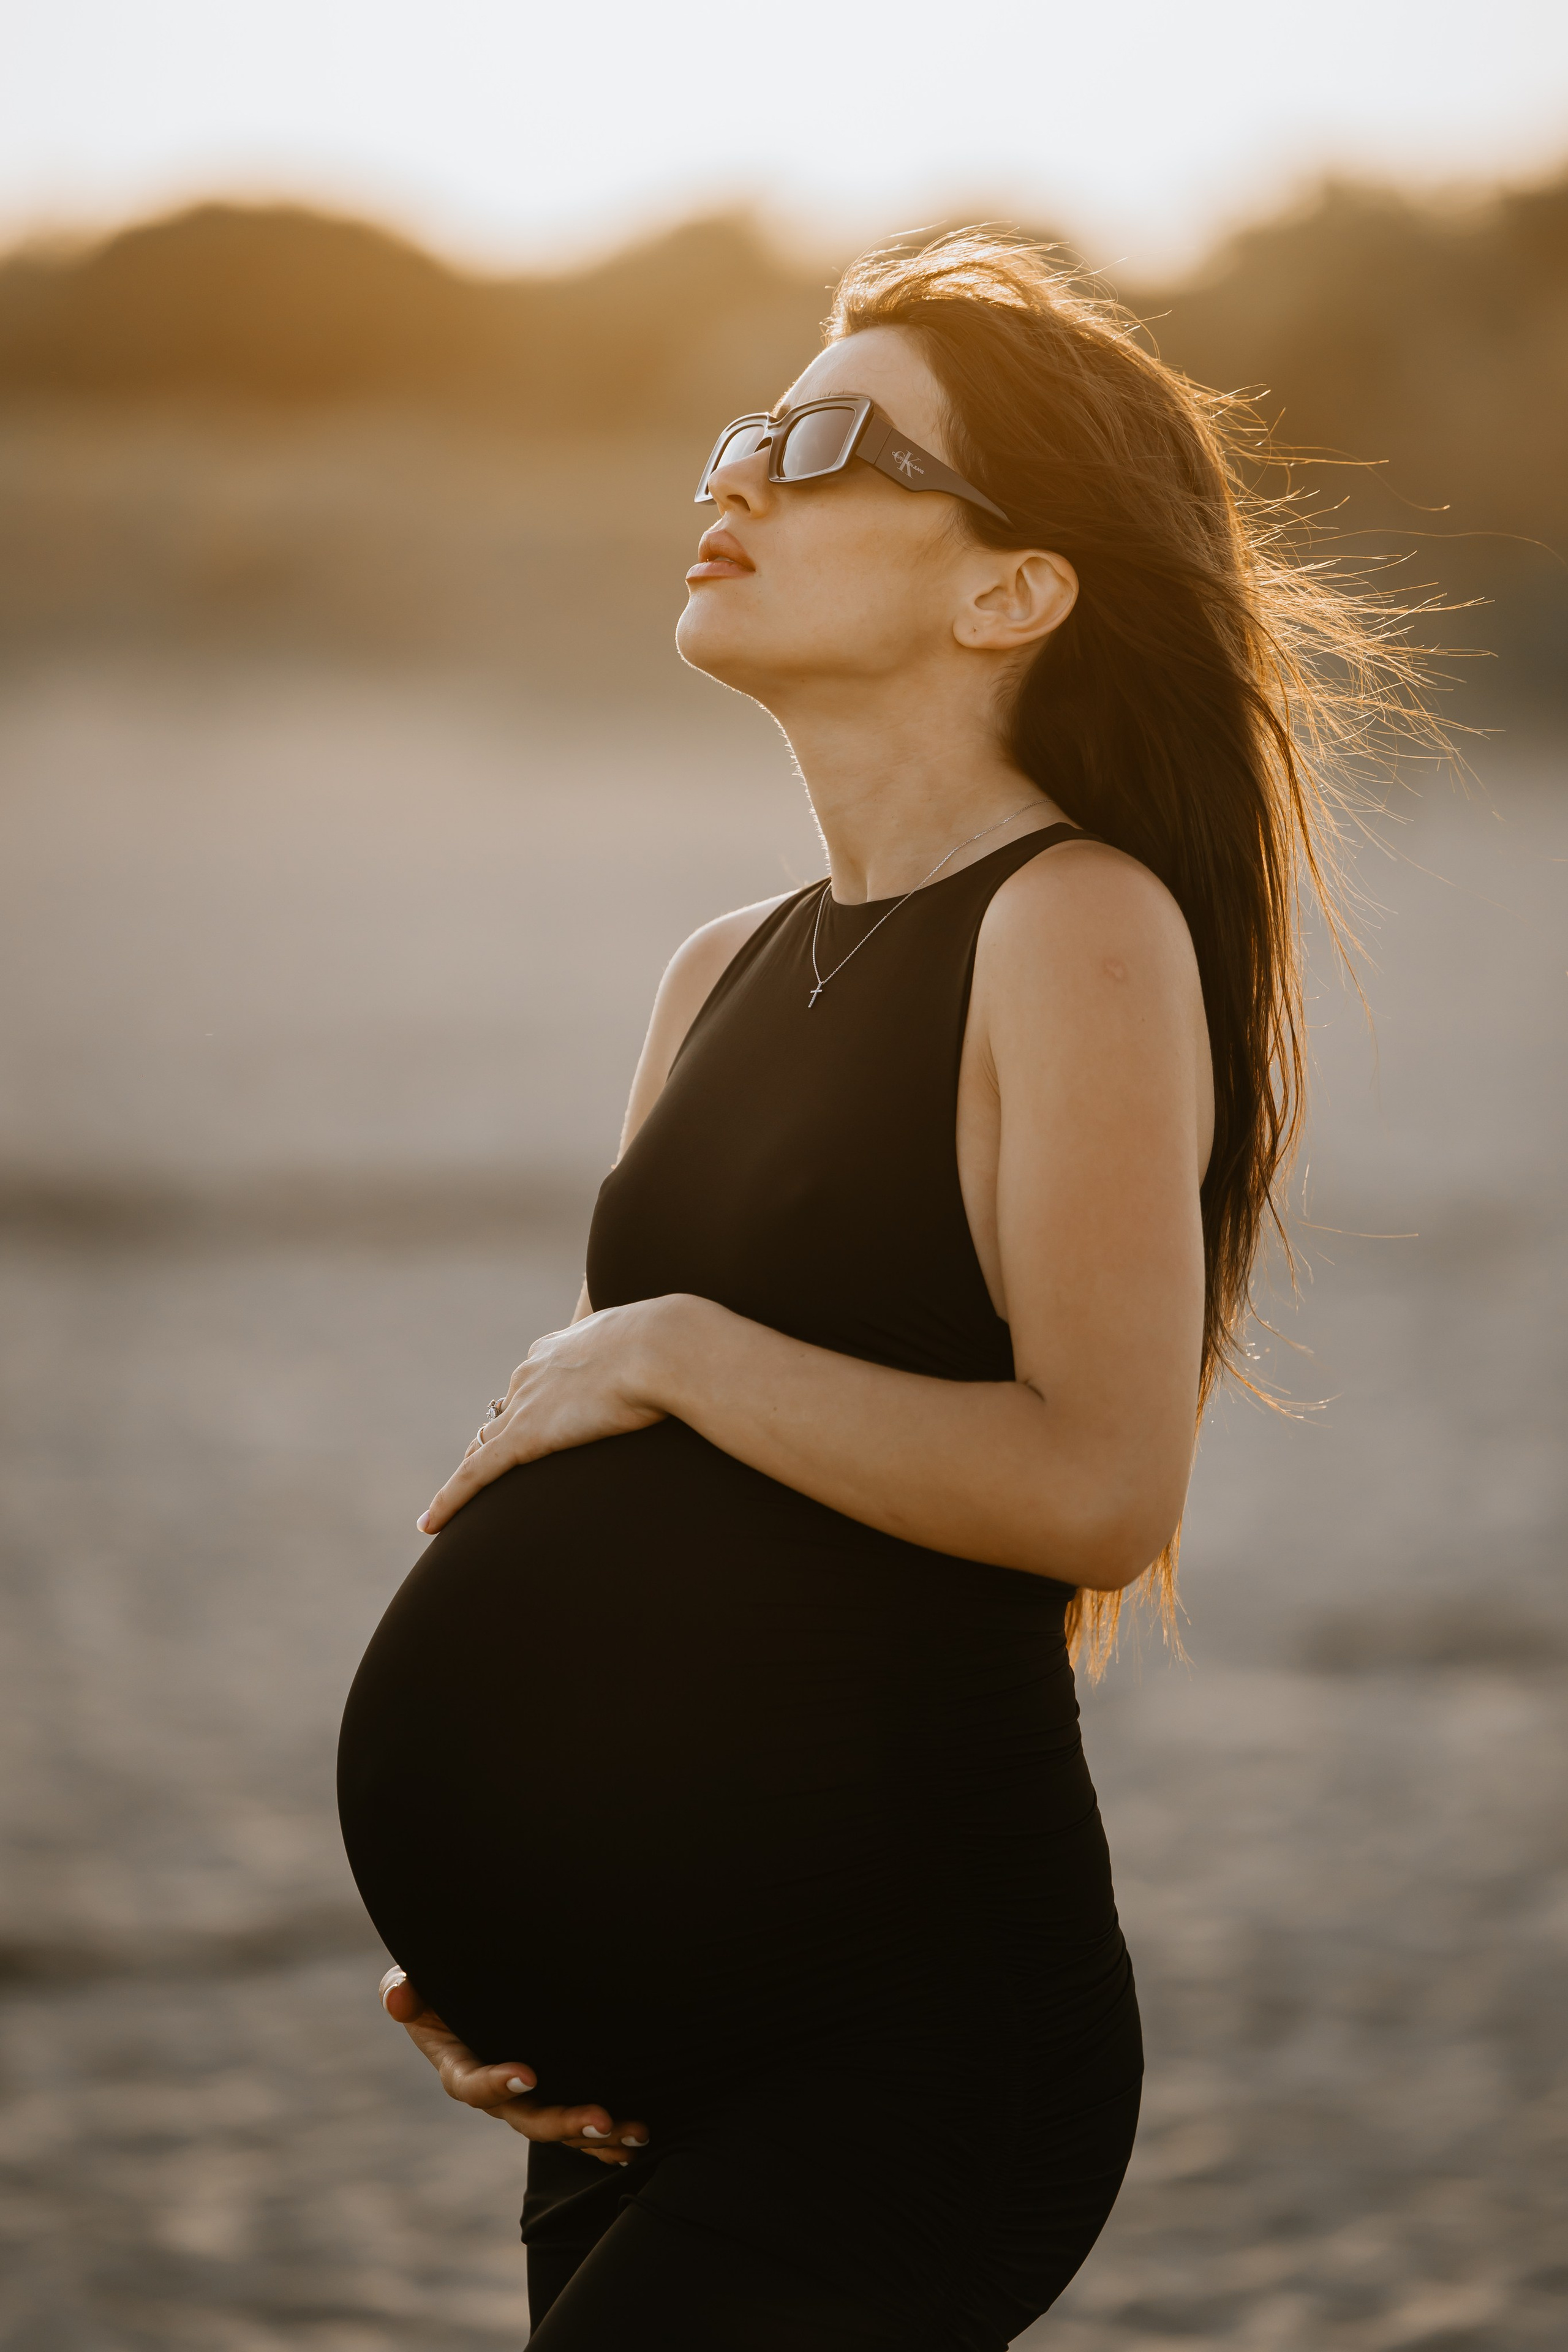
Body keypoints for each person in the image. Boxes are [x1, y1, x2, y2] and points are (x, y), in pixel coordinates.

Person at [337, 233, 1436, 2348]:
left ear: (1011, 588)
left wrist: (671, 1345)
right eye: (748, 428)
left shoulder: (1077, 926)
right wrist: (500, 1949)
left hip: (909, 2046)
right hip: (625, 2072)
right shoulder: (717, 969)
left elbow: (1104, 1488)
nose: (735, 477)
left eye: (828, 443)